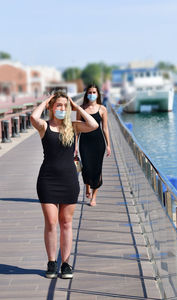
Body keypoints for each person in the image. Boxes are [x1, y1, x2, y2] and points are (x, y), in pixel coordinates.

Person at [30, 90, 98, 279]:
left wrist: (76, 107)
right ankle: (52, 262)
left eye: (64, 106)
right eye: (58, 105)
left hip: (69, 180)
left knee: (66, 223)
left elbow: (93, 124)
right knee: (51, 223)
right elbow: (33, 117)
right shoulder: (44, 126)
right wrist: (45, 101)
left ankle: (66, 264)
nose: (61, 108)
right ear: (52, 108)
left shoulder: (74, 126)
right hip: (47, 180)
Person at [77, 84, 111, 206]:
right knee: (86, 167)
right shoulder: (81, 108)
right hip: (85, 142)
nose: (92, 94)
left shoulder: (102, 109)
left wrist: (108, 145)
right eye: (89, 92)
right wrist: (75, 146)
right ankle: (87, 186)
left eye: (94, 92)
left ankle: (94, 197)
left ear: (98, 94)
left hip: (98, 143)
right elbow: (77, 128)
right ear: (87, 94)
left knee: (97, 169)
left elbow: (105, 128)